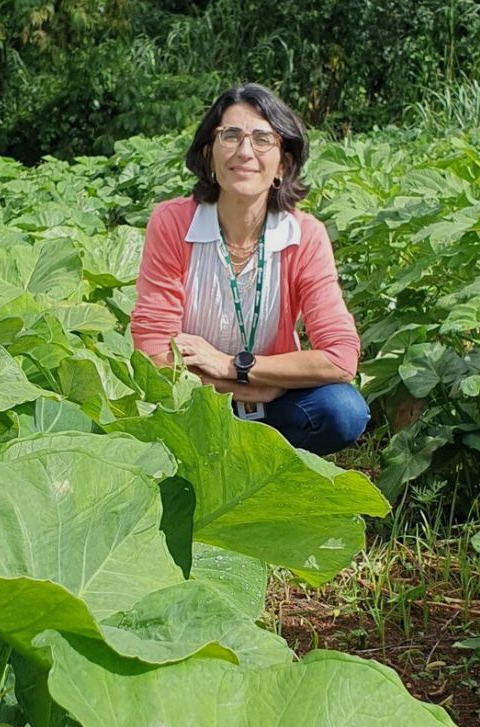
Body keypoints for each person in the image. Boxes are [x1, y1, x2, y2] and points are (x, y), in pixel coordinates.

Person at [131, 83, 369, 455]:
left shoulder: (304, 236)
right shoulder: (173, 224)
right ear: (209, 155)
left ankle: (271, 476)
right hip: (192, 404)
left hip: (274, 406)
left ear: (283, 164)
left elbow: (341, 358)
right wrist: (243, 386)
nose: (245, 151)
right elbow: (153, 351)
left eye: (262, 139)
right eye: (231, 136)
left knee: (343, 410)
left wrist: (234, 366)